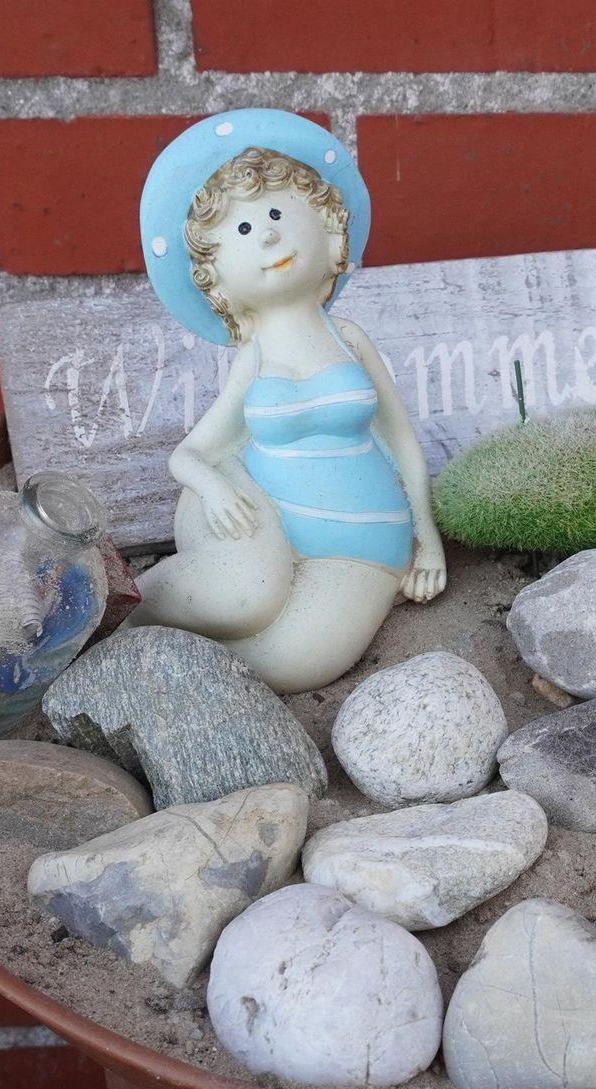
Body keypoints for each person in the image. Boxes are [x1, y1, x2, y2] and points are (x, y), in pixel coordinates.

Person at [131, 109, 447, 693]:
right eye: (243, 229)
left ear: (328, 228)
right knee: (243, 598)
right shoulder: (252, 359)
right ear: (216, 276)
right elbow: (191, 455)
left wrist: (426, 540)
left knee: (290, 663)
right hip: (254, 508)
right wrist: (217, 489)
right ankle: (124, 608)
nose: (268, 235)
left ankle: (163, 657)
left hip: (364, 541)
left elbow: (399, 438)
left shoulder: (348, 339)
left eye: (277, 214)